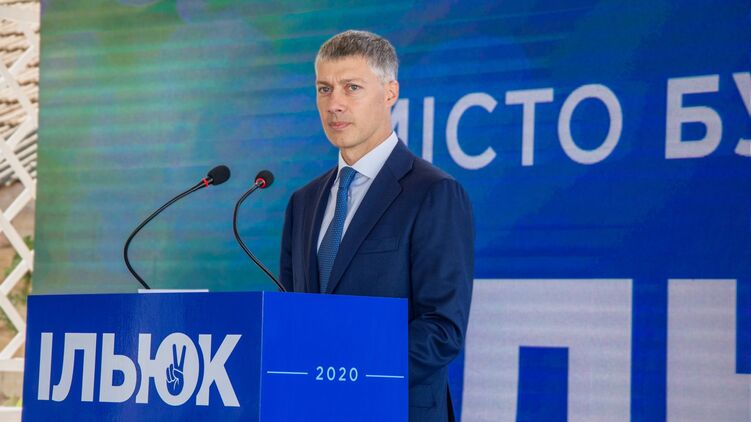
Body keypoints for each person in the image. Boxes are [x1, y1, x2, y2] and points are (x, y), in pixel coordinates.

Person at [280, 29, 474, 422]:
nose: (334, 104)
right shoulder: (303, 202)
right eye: (324, 89)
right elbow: (289, 314)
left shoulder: (433, 192)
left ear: (390, 93)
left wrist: (349, 374)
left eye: (351, 88)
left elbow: (442, 329)